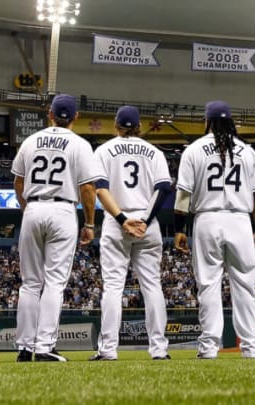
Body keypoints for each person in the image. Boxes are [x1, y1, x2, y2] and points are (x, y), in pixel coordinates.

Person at [12, 94, 101, 362]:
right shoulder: (79, 143)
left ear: (50, 114)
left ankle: (25, 348)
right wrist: (89, 222)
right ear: (75, 117)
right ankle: (44, 347)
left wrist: (28, 208)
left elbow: (18, 181)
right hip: (62, 209)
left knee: (29, 283)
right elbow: (87, 187)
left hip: (34, 207)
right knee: (54, 282)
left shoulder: (30, 141)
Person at [174, 100, 255, 359]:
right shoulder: (247, 151)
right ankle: (250, 347)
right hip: (239, 220)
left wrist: (180, 228)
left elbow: (183, 195)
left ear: (207, 122)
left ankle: (209, 347)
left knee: (208, 285)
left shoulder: (193, 150)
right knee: (246, 287)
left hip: (207, 220)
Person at [90, 106, 172, 361]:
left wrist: (123, 219)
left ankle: (108, 350)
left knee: (113, 287)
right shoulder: (154, 152)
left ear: (116, 125)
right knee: (152, 286)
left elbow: (100, 189)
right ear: (139, 126)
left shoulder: (103, 150)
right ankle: (159, 350)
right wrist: (145, 220)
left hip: (118, 221)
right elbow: (163, 188)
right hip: (148, 223)